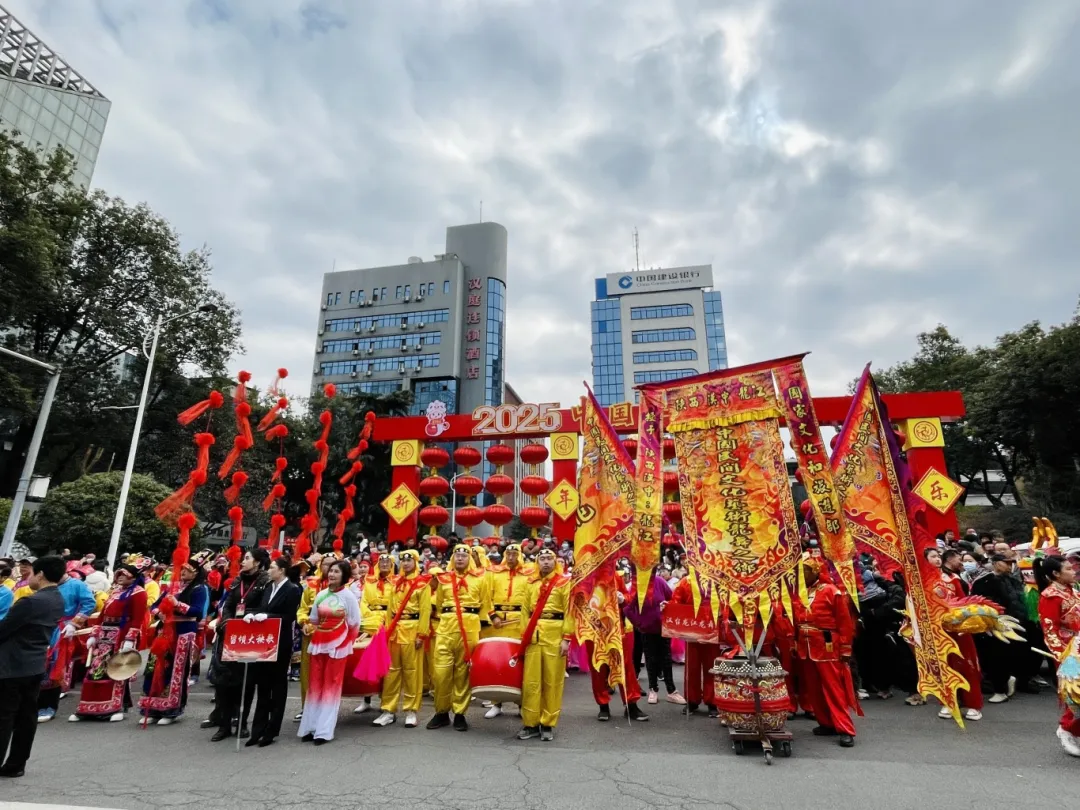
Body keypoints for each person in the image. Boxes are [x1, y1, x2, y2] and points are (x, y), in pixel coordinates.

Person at [0, 556, 66, 778]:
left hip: (11, 666)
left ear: (40, 574)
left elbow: (4, 630)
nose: (27, 577)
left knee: (5, 716)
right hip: (35, 663)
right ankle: (17, 763)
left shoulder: (30, 602)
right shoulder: (58, 599)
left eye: (31, 572)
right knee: (26, 717)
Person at [793, 556, 859, 747]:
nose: (801, 575)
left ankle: (845, 728)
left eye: (805, 570)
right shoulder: (801, 592)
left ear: (815, 572)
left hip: (827, 644)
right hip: (806, 645)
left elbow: (845, 623)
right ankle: (826, 722)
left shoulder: (832, 591)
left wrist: (846, 648)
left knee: (833, 688)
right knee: (813, 688)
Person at [69, 565, 148, 723]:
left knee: (116, 671)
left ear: (133, 577)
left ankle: (114, 706)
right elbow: (102, 615)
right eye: (118, 574)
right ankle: (87, 707)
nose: (119, 577)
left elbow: (137, 618)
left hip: (121, 635)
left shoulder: (139, 593)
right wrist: (94, 634)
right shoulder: (116, 591)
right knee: (96, 670)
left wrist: (130, 639)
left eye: (123, 575)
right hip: (104, 635)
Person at [426, 544, 491, 732]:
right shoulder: (444, 579)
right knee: (441, 673)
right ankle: (441, 712)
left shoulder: (480, 579)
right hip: (446, 625)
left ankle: (460, 714)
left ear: (470, 558)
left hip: (469, 626)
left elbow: (485, 603)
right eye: (457, 555)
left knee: (463, 672)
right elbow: (438, 603)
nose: (460, 558)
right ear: (453, 558)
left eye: (464, 555)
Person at [139, 560, 210, 725]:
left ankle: (171, 709)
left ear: (195, 573)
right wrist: (159, 613)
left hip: (184, 632)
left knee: (175, 671)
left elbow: (197, 611)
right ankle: (151, 708)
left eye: (186, 570)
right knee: (155, 667)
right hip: (165, 631)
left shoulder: (199, 589)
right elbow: (155, 605)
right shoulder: (174, 587)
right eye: (182, 569)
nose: (183, 572)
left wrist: (177, 605)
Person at [298, 560, 361, 745]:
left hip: (338, 648)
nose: (332, 574)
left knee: (330, 689)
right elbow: (314, 620)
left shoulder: (348, 597)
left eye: (336, 571)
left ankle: (324, 731)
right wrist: (308, 628)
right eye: (331, 571)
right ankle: (309, 728)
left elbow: (354, 624)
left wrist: (344, 645)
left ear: (344, 576)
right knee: (315, 687)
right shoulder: (321, 595)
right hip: (318, 645)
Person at [210, 549, 270, 742]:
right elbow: (227, 604)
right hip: (230, 633)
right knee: (224, 681)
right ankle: (224, 724)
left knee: (245, 682)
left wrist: (245, 620)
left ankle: (242, 723)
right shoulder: (237, 581)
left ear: (258, 562)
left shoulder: (265, 583)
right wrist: (227, 622)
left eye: (247, 558)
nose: (242, 562)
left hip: (249, 635)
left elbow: (264, 607)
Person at [517, 548, 574, 742]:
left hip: (555, 635)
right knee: (531, 682)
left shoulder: (564, 582)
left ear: (556, 561)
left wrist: (566, 639)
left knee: (552, 682)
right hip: (534, 635)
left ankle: (548, 723)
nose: (546, 562)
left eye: (550, 559)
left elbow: (570, 611)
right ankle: (530, 723)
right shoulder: (531, 583)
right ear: (537, 562)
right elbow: (525, 611)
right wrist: (524, 636)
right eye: (542, 559)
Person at [247, 555, 302, 747]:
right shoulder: (268, 587)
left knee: (277, 687)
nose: (269, 571)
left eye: (272, 568)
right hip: (265, 642)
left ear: (282, 570)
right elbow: (261, 607)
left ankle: (272, 730)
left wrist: (268, 616)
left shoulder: (293, 589)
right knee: (262, 685)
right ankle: (257, 730)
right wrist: (252, 615)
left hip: (281, 641)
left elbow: (289, 616)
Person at [373, 549, 430, 729]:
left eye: (409, 560)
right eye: (403, 560)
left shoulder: (422, 584)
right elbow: (390, 609)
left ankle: (411, 710)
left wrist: (421, 633)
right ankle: (388, 710)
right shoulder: (395, 582)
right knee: (391, 671)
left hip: (412, 630)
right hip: (395, 632)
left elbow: (425, 611)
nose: (405, 563)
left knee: (412, 672)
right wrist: (388, 631)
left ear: (415, 562)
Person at [35, 565, 96, 722]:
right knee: (35, 664)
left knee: (53, 666)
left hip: (61, 630)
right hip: (41, 627)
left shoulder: (77, 585)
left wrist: (74, 623)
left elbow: (89, 603)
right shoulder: (46, 585)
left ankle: (47, 706)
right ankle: (32, 705)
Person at [929, 548, 984, 721]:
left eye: (938, 556)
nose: (937, 559)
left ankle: (973, 704)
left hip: (957, 628)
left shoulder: (953, 579)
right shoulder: (922, 581)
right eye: (932, 557)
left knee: (965, 664)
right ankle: (948, 702)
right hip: (937, 630)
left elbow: (964, 603)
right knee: (944, 666)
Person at [1035, 556, 1080, 756]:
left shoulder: (1073, 590)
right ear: (1056, 574)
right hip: (1069, 654)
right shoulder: (1050, 596)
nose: (1074, 571)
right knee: (1076, 694)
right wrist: (1063, 656)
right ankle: (1066, 729)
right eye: (1069, 569)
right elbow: (1050, 630)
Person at [482, 543, 530, 720]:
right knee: (498, 661)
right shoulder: (494, 573)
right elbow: (486, 596)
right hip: (498, 622)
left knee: (519, 662)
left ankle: (520, 703)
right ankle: (496, 703)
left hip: (518, 622)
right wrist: (493, 616)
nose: (511, 557)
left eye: (514, 554)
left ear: (520, 555)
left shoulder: (528, 575)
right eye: (508, 554)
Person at [624, 568, 684, 705]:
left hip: (663, 628)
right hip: (647, 630)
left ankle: (671, 691)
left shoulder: (660, 582)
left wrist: (667, 605)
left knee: (666, 659)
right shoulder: (638, 586)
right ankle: (653, 689)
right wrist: (639, 623)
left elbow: (672, 598)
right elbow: (627, 609)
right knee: (651, 659)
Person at [972, 554, 1027, 704]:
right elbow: (977, 603)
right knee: (993, 658)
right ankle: (1001, 686)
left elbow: (1019, 602)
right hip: (991, 625)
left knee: (1003, 657)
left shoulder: (1013, 580)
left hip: (1011, 624)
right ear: (995, 563)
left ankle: (1002, 687)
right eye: (1006, 563)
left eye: (1011, 563)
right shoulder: (983, 581)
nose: (1010, 566)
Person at [666, 575, 720, 717]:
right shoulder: (686, 581)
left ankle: (712, 701)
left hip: (711, 629)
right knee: (692, 667)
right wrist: (668, 606)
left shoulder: (717, 580)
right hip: (692, 628)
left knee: (712, 666)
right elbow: (676, 601)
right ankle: (692, 700)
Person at [354, 552, 394, 716]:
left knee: (386, 665)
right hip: (371, 624)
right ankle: (366, 699)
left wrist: (386, 620)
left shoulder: (397, 583)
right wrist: (372, 620)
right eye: (381, 561)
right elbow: (363, 603)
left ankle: (386, 701)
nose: (384, 564)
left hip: (390, 625)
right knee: (366, 661)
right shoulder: (369, 582)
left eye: (388, 562)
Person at [295, 554, 333, 722]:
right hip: (310, 632)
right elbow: (302, 609)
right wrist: (303, 623)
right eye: (326, 565)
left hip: (331, 635)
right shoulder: (310, 585)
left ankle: (325, 709)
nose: (329, 569)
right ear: (320, 566)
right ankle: (307, 708)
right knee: (307, 673)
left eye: (333, 566)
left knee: (328, 673)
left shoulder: (341, 588)